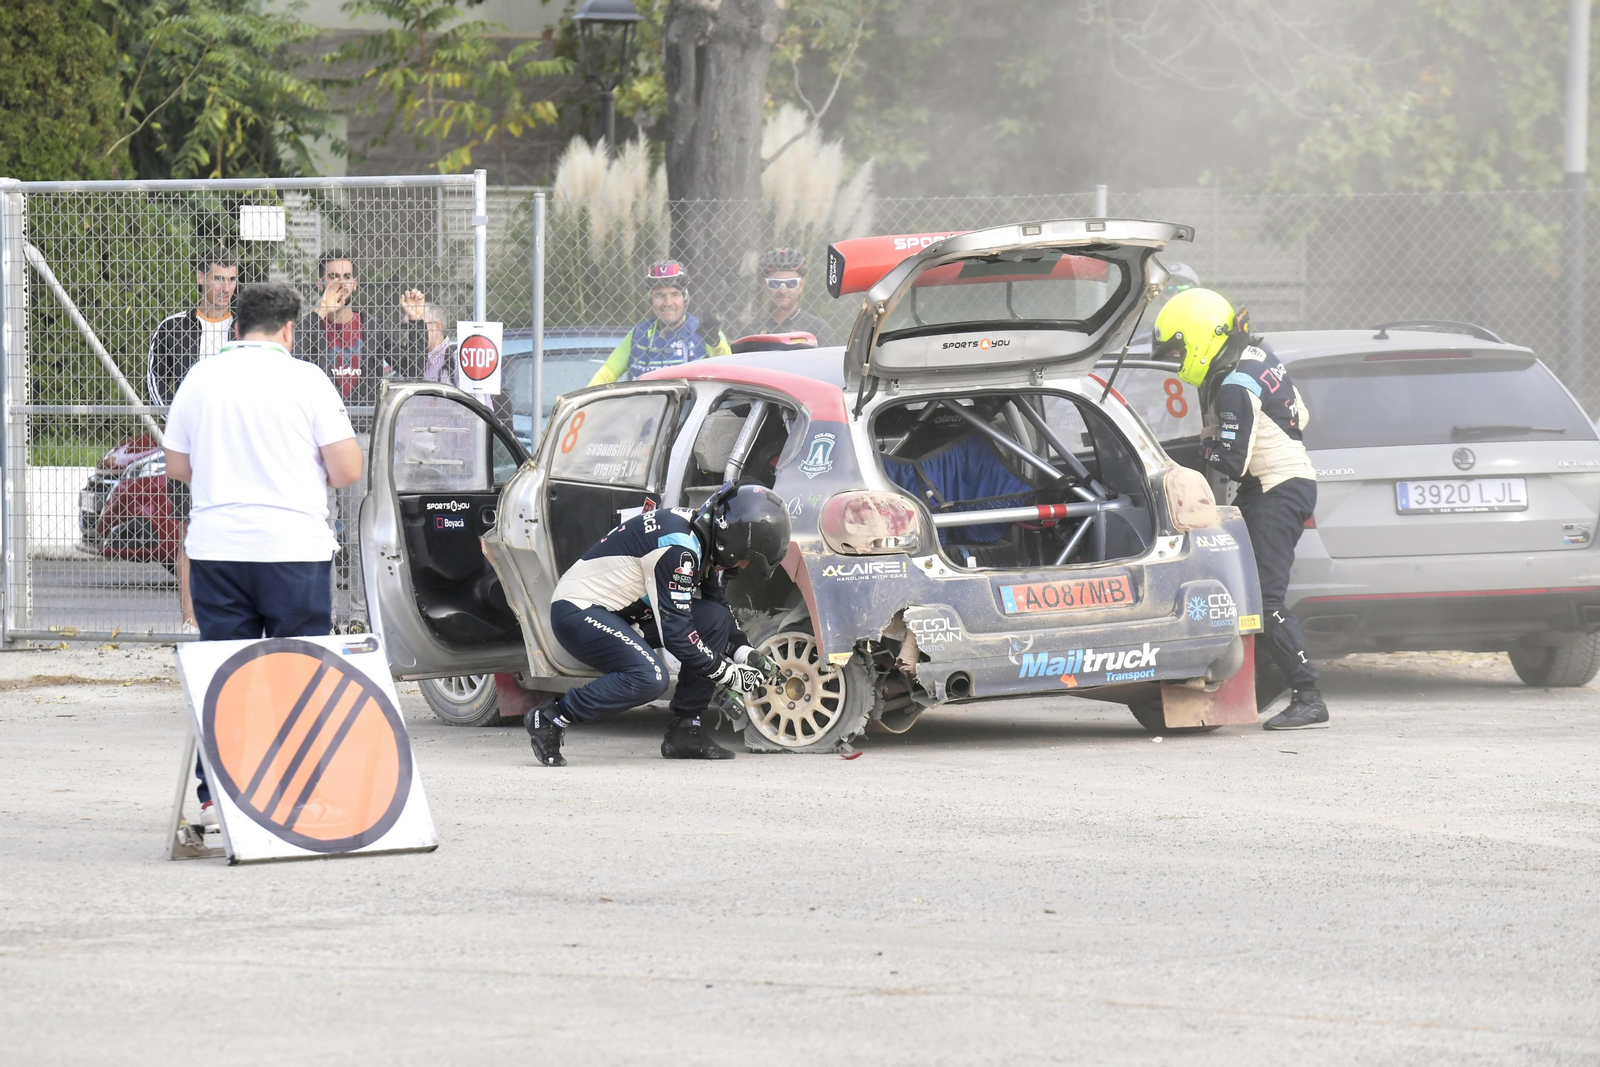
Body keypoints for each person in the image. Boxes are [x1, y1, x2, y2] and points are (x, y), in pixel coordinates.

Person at [164, 282, 364, 822]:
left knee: (224, 675)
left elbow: (178, 467)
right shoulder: (307, 380)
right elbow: (347, 470)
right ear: (289, 330)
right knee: (295, 674)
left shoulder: (200, 378)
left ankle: (218, 799)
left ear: (235, 325)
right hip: (292, 548)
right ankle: (299, 796)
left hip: (217, 549)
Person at [1153, 287, 1328, 731]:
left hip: (1275, 489)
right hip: (1285, 482)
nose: (1178, 362)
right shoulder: (1259, 357)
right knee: (1251, 597)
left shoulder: (1233, 385)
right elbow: (1300, 416)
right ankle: (1262, 691)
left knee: (1265, 602)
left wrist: (1177, 461)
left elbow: (1230, 462)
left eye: (1179, 351)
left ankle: (1309, 694)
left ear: (1199, 339)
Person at [524, 485, 790, 766]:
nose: (745, 566)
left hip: (622, 613)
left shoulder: (701, 531)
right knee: (650, 677)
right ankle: (552, 716)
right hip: (578, 611)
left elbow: (717, 607)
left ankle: (687, 731)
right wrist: (731, 676)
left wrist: (746, 653)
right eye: (748, 558)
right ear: (733, 543)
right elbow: (679, 637)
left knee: (715, 619)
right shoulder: (678, 549)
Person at [147, 246, 239, 635]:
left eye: (232, 279)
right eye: (218, 278)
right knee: (189, 530)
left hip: (235, 450)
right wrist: (180, 427)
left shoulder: (245, 328)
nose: (225, 288)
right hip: (190, 448)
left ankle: (233, 615)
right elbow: (153, 382)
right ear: (202, 278)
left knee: (235, 528)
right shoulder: (174, 327)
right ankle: (190, 618)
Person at [294, 249, 432, 407]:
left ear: (354, 284)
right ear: (320, 284)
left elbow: (414, 370)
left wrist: (416, 321)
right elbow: (291, 361)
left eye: (347, 277)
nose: (341, 283)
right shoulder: (310, 327)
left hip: (365, 426)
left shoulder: (374, 328)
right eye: (333, 277)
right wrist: (322, 310)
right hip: (323, 426)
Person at [588, 261, 731, 386]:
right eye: (659, 295)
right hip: (643, 414)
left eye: (675, 294)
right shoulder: (638, 334)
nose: (667, 303)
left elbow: (729, 370)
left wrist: (715, 343)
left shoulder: (704, 330)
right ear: (650, 299)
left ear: (685, 298)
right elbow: (606, 374)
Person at [736, 248, 833, 346]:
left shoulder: (817, 330)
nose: (782, 291)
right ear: (765, 286)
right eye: (774, 283)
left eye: (791, 283)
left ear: (801, 286)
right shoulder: (750, 334)